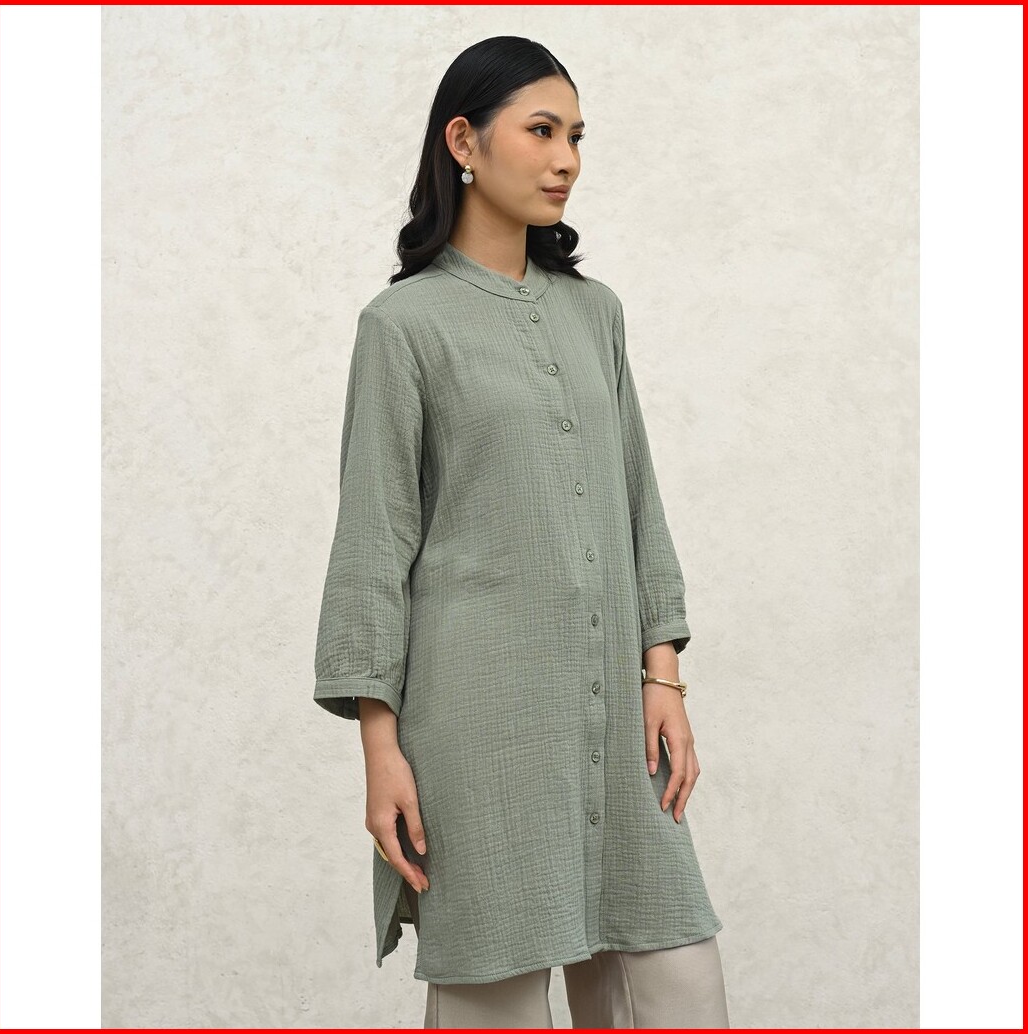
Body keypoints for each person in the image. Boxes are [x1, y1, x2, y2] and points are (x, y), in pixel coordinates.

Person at [313, 35, 730, 1029]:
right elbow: (373, 546)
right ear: (463, 142)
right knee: (492, 995)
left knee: (675, 980)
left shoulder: (595, 314)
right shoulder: (402, 327)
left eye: (576, 136)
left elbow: (638, 497)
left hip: (613, 717)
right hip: (476, 726)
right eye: (541, 131)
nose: (565, 160)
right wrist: (381, 749)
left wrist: (663, 676)